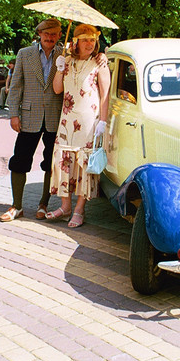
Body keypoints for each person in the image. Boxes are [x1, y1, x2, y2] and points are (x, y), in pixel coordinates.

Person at [0, 18, 66, 222]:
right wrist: (14, 114)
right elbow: (16, 85)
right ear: (39, 34)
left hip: (55, 117)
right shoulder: (24, 54)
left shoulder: (65, 55)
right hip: (29, 116)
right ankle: (16, 206)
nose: (50, 38)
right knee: (20, 160)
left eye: (54, 34)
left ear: (59, 35)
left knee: (50, 163)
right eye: (46, 34)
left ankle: (43, 204)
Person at [45, 24, 111, 228]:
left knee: (83, 164)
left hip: (89, 122)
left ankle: (79, 209)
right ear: (76, 42)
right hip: (66, 120)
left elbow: (105, 94)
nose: (90, 44)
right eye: (85, 40)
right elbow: (57, 89)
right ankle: (65, 206)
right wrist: (59, 68)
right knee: (63, 161)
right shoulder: (68, 61)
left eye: (92, 40)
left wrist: (103, 121)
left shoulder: (99, 64)